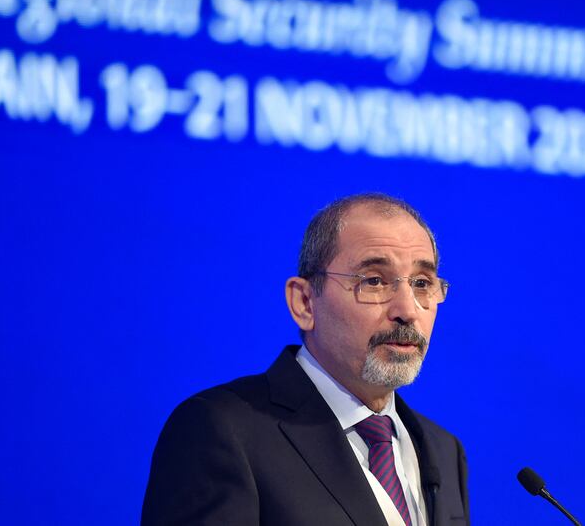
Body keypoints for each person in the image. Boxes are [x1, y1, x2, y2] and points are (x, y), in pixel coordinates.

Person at [142, 193, 469, 525]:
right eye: (374, 281)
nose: (408, 310)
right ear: (305, 303)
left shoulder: (444, 451)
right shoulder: (223, 431)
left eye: (422, 283)